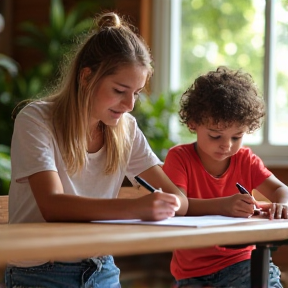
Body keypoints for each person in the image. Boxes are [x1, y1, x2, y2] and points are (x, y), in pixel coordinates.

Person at [6, 12, 188, 288]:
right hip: (40, 272)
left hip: (101, 269)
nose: (129, 104)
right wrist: (137, 207)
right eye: (119, 90)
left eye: (136, 93)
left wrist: (173, 203)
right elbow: (53, 205)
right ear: (86, 77)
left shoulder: (125, 128)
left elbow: (178, 198)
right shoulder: (35, 119)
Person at [162, 66, 288, 288]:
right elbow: (177, 206)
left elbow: (281, 190)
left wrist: (282, 204)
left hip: (241, 262)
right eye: (215, 135)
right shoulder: (179, 158)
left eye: (237, 137)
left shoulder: (245, 159)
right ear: (193, 124)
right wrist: (223, 206)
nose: (226, 145)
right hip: (191, 273)